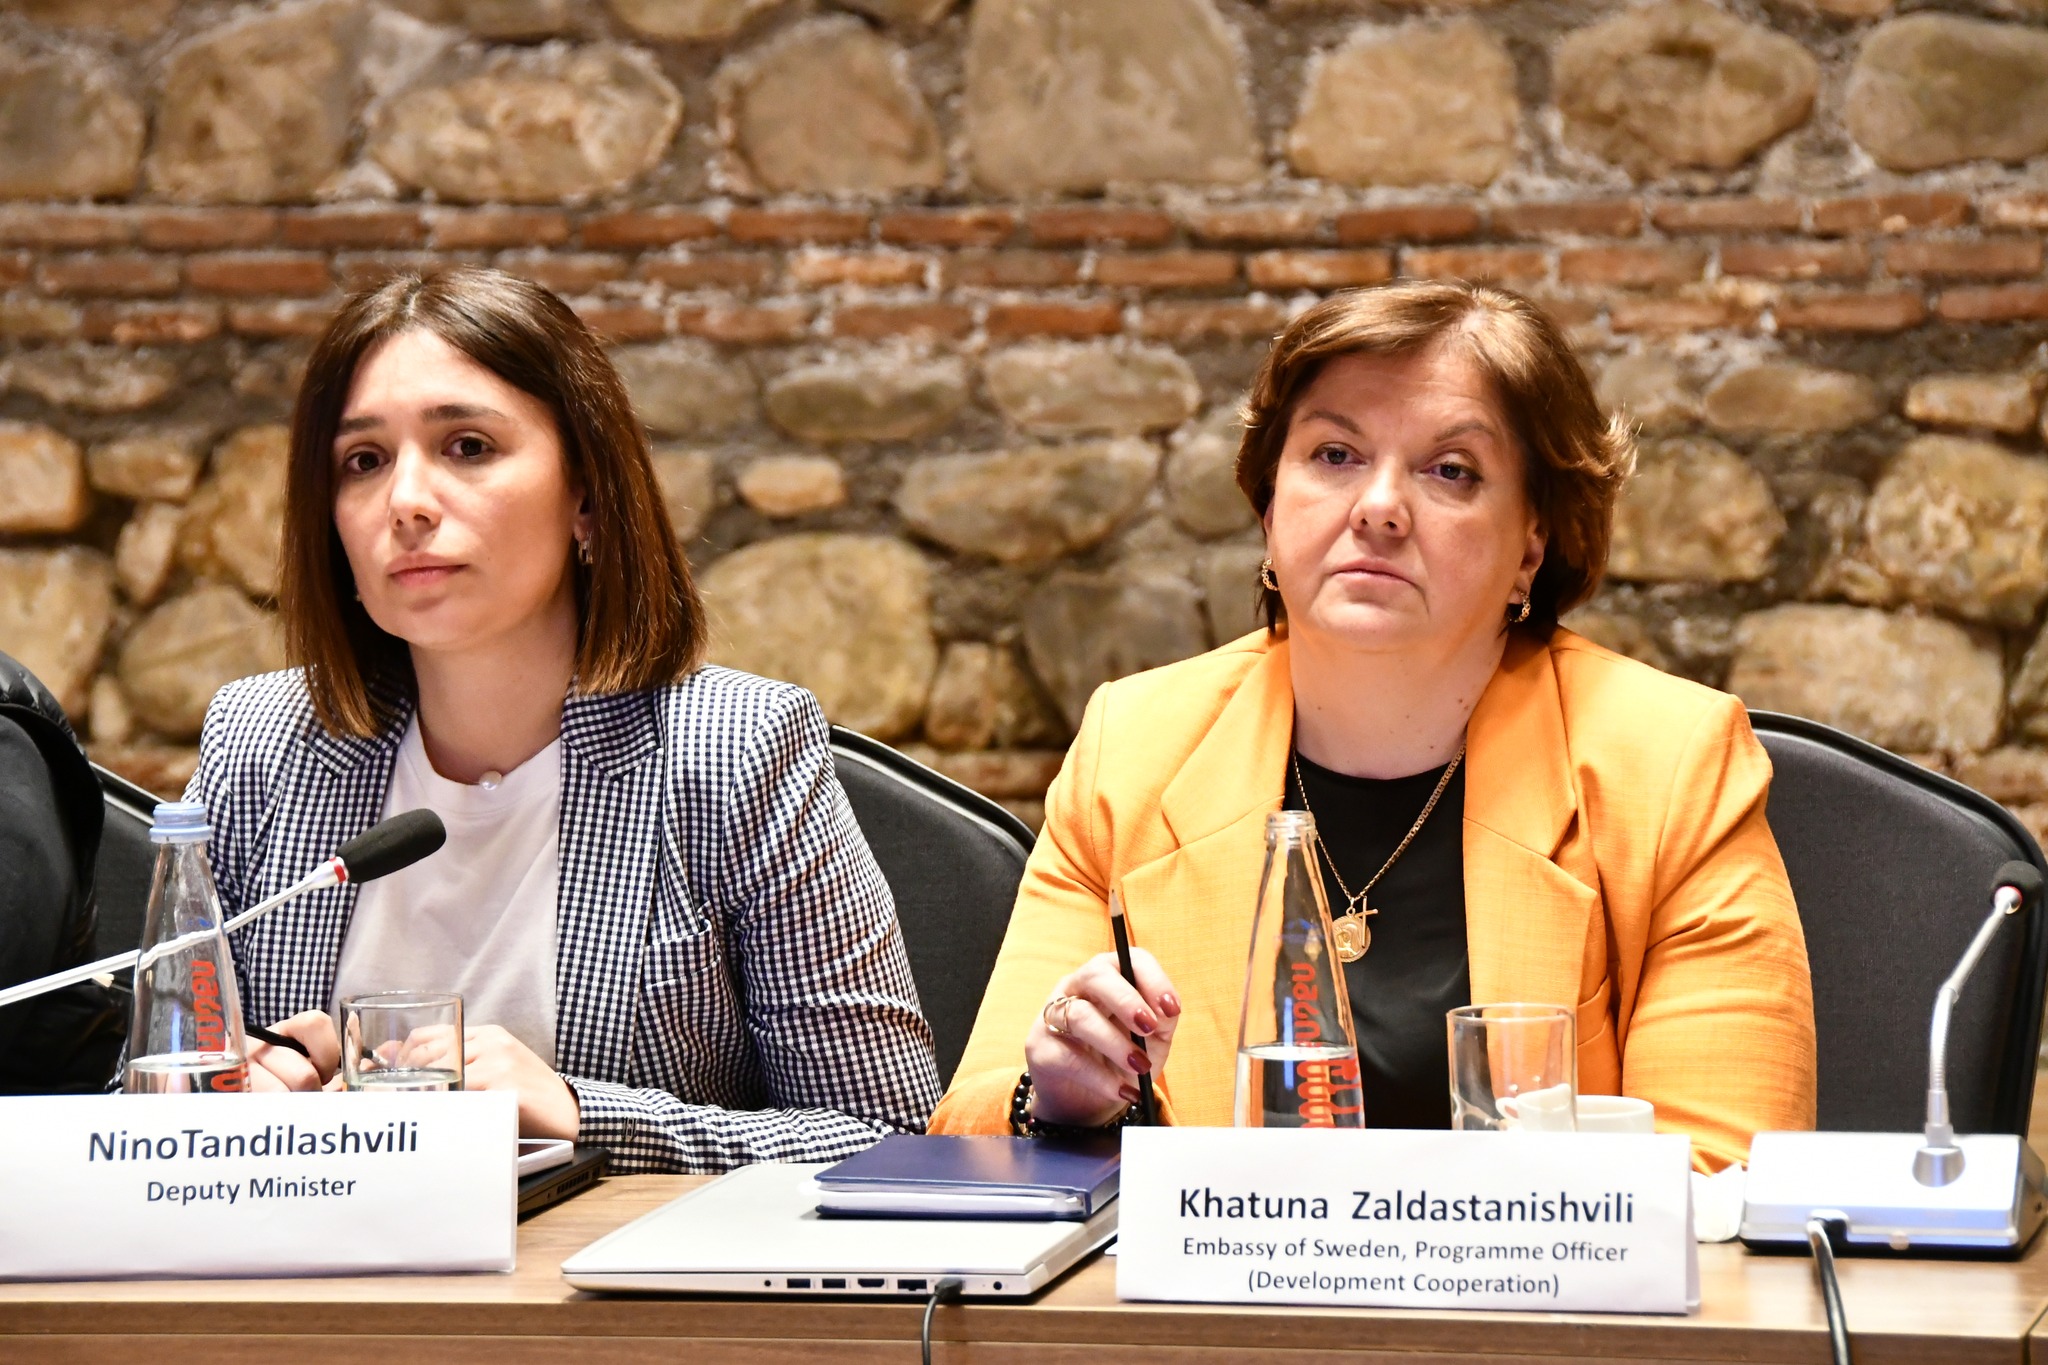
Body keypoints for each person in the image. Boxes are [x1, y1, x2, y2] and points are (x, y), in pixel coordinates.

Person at [931, 280, 1815, 1171]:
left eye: (1452, 471)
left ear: (1530, 547)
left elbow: (1721, 1174)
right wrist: (1055, 1102)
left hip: (1532, 1268)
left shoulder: (1670, 766)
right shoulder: (1133, 751)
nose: (1380, 505)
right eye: (1335, 454)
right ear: (1269, 509)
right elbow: (969, 1143)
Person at [187, 266, 940, 1172]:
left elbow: (889, 1136)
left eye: (467, 446)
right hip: (320, 1260)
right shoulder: (262, 743)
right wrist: (227, 1102)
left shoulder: (735, 749)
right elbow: (137, 1096)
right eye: (364, 461)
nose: (406, 501)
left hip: (610, 1269)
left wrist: (582, 1113)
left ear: (585, 495)